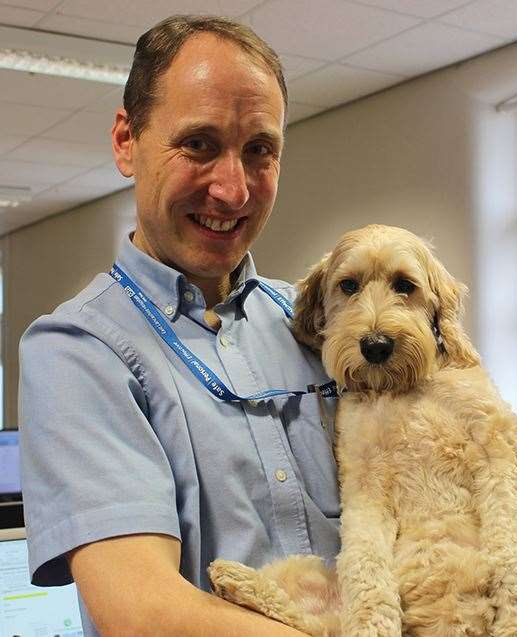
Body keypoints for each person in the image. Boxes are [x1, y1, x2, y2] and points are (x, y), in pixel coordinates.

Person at [19, 15, 340, 636]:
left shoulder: (317, 324)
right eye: (198, 143)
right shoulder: (79, 352)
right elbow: (145, 616)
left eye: (259, 150)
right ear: (125, 141)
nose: (233, 189)